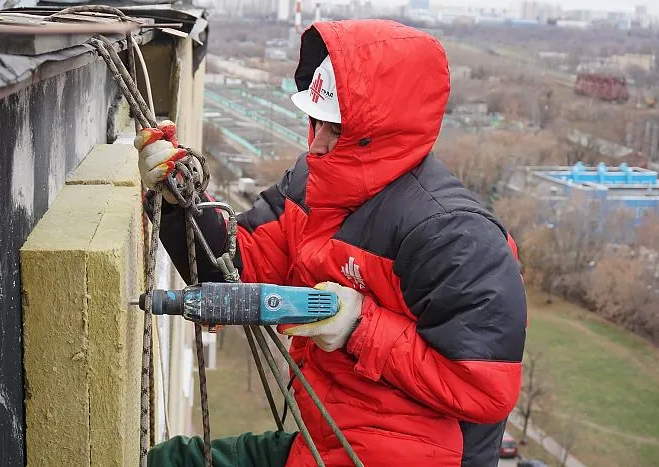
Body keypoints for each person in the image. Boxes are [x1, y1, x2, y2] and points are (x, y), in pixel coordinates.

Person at [137, 19, 527, 467]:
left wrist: (359, 326)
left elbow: (484, 388)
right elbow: (232, 266)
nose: (317, 143)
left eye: (335, 129)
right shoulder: (313, 186)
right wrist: (178, 200)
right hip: (328, 439)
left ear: (379, 131)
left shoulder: (455, 237)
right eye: (317, 121)